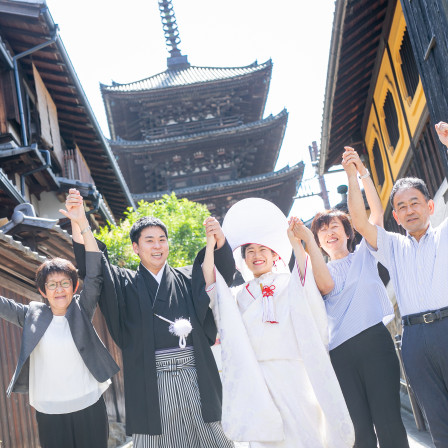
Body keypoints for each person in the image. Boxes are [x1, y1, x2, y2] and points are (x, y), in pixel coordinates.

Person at [69, 189, 235, 448]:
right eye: (149, 240)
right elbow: (96, 266)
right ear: (136, 247)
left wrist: (219, 240)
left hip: (196, 374)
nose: (157, 246)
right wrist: (80, 223)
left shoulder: (187, 278)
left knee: (212, 438)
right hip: (151, 380)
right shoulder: (125, 283)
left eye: (161, 239)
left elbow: (219, 274)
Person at [202, 198, 354, 448]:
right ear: (244, 260)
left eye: (263, 250)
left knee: (306, 434)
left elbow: (306, 280)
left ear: (275, 255)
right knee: (267, 441)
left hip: (294, 373)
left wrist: (298, 244)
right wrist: (212, 245)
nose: (256, 256)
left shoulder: (289, 283)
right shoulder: (238, 295)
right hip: (257, 377)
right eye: (250, 251)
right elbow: (212, 284)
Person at [293, 147, 408, 448]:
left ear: (348, 233)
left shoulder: (366, 255)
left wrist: (359, 174)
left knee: (389, 422)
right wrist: (305, 243)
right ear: (317, 241)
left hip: (375, 343)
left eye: (335, 227)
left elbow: (374, 213)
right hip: (340, 355)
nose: (330, 232)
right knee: (357, 433)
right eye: (322, 231)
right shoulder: (318, 270)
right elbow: (327, 286)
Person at [345, 124, 448, 448]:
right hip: (415, 340)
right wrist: (357, 174)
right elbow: (360, 222)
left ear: (430, 206)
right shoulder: (392, 246)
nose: (409, 210)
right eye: (401, 207)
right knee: (438, 422)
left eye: (415, 203)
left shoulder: (444, 234)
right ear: (395, 216)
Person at [0, 191, 119, 448]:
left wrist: (82, 223)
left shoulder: (81, 309)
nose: (59, 289)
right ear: (42, 291)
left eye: (65, 283)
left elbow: (95, 274)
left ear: (74, 287)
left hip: (88, 403)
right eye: (51, 284)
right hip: (49, 410)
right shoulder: (31, 314)